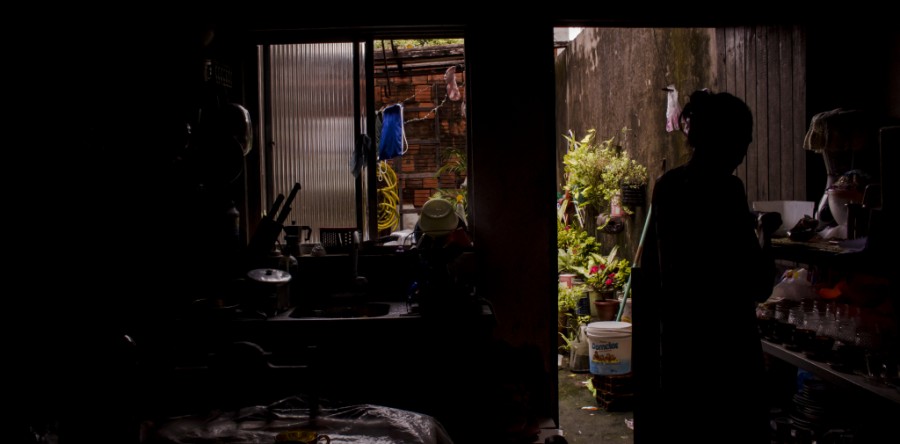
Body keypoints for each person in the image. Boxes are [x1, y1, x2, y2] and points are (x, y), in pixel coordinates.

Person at [638, 90, 776, 443]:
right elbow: (759, 283)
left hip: (682, 352)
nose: (744, 153)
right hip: (727, 354)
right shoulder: (727, 190)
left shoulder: (668, 187)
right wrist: (767, 234)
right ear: (726, 141)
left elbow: (655, 274)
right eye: (743, 141)